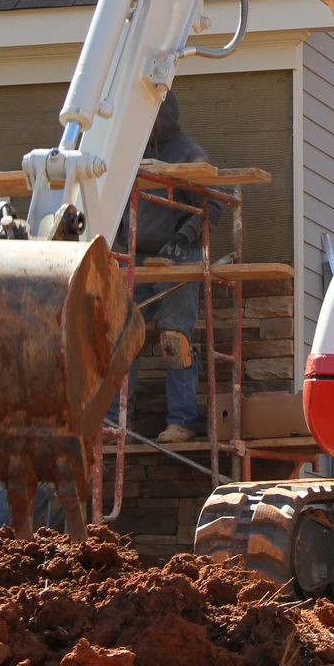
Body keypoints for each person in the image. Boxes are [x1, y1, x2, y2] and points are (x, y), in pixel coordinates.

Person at [114, 93, 223, 444]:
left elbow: (214, 208)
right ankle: (115, 423)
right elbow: (113, 199)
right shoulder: (130, 151)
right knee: (123, 339)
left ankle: (181, 422)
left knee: (174, 338)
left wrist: (184, 237)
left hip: (177, 257)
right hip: (137, 258)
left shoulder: (187, 153)